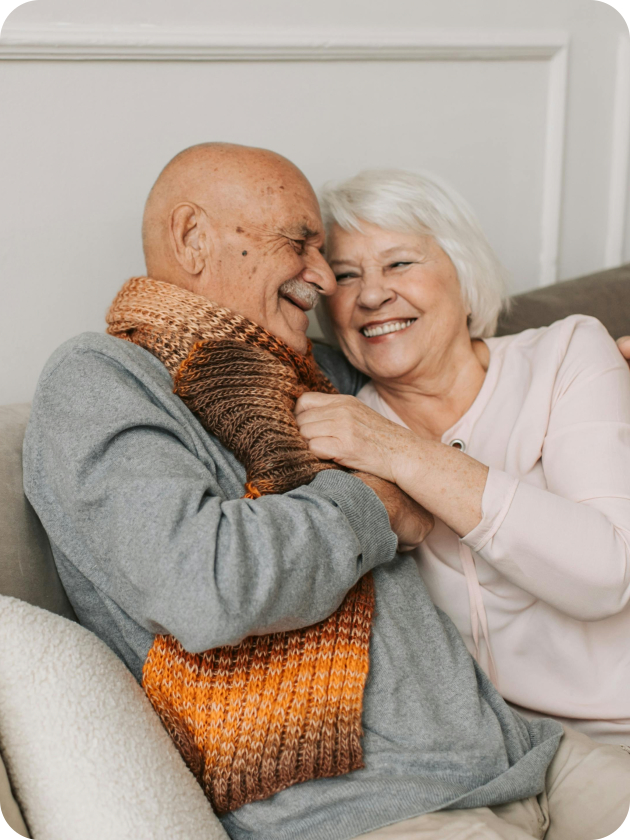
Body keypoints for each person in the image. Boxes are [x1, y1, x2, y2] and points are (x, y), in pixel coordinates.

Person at [23, 145, 629, 840]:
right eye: (304, 247)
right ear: (192, 238)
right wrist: (376, 506)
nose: (324, 282)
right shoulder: (100, 380)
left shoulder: (320, 373)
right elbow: (204, 585)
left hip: (529, 759)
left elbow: (444, 354)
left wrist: (599, 372)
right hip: (375, 812)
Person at [295, 167, 630, 751]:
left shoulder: (566, 354)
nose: (372, 295)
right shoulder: (340, 431)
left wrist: (398, 452)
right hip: (507, 758)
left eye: (400, 263)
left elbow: (603, 577)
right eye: (346, 277)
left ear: (461, 269)